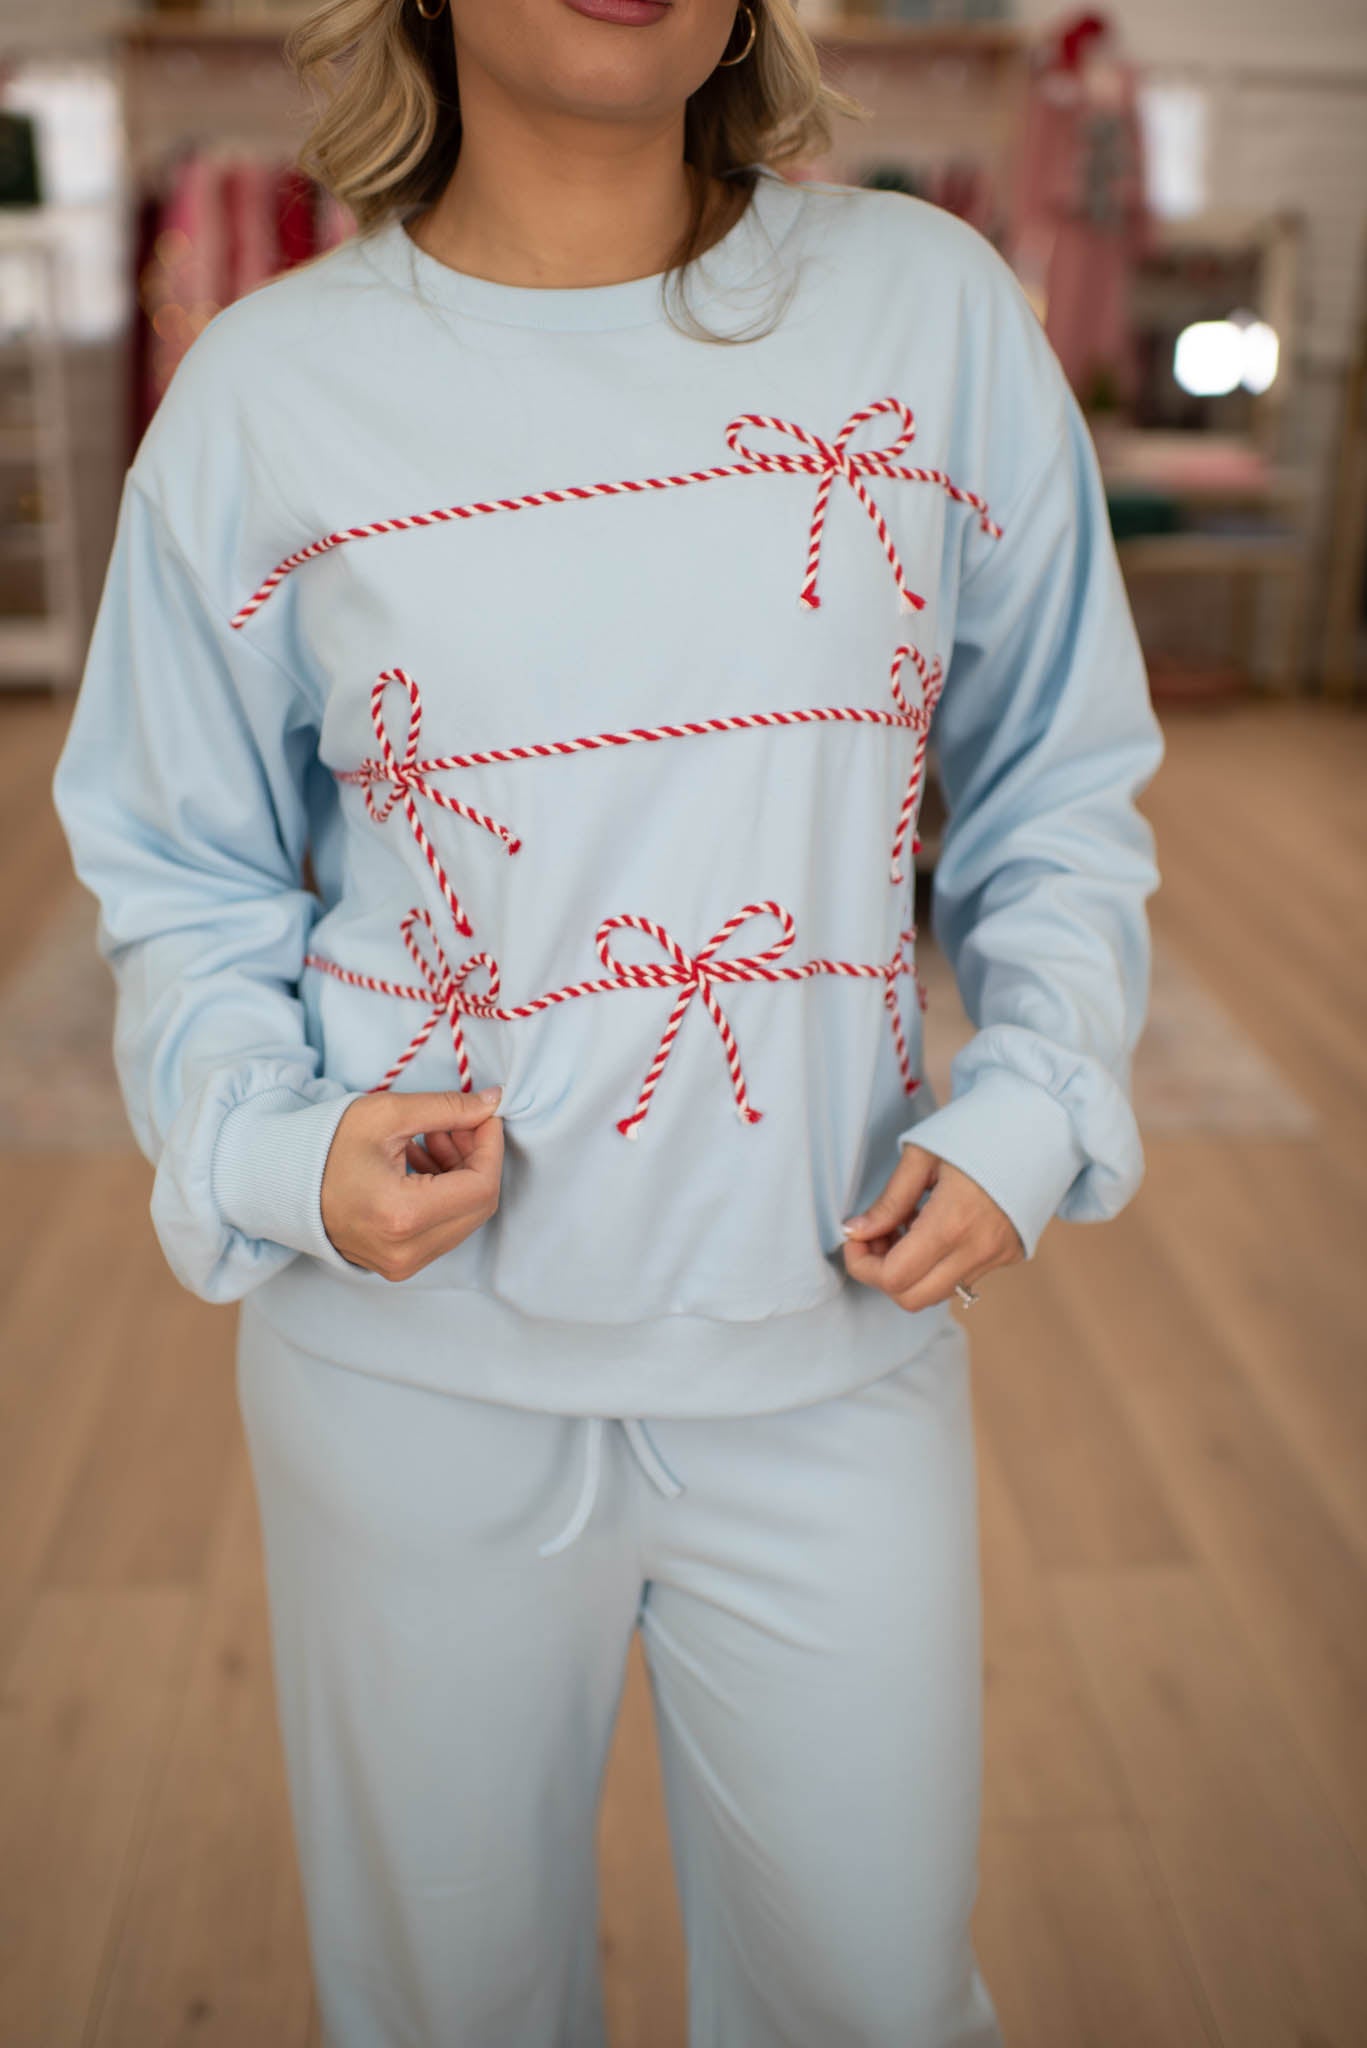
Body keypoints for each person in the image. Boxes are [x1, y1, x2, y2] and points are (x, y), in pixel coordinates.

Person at [50, 2, 1164, 2042]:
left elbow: (1060, 780)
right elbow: (177, 859)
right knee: (447, 2011)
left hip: (830, 1350)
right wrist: (273, 1148)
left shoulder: (931, 316)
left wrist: (1036, 1098)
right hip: (408, 1378)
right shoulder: (266, 394)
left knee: (875, 2004)